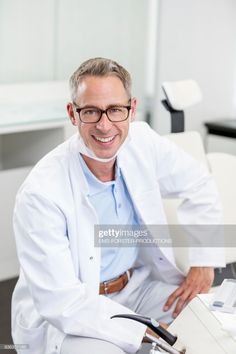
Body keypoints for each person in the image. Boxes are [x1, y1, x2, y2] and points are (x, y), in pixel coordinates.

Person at [12, 57, 225, 354]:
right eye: (91, 111)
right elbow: (61, 302)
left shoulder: (142, 142)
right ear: (73, 114)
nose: (104, 124)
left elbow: (199, 182)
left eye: (115, 110)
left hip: (138, 288)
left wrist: (204, 260)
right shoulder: (41, 193)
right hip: (77, 312)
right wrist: (141, 333)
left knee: (211, 325)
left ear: (132, 110)